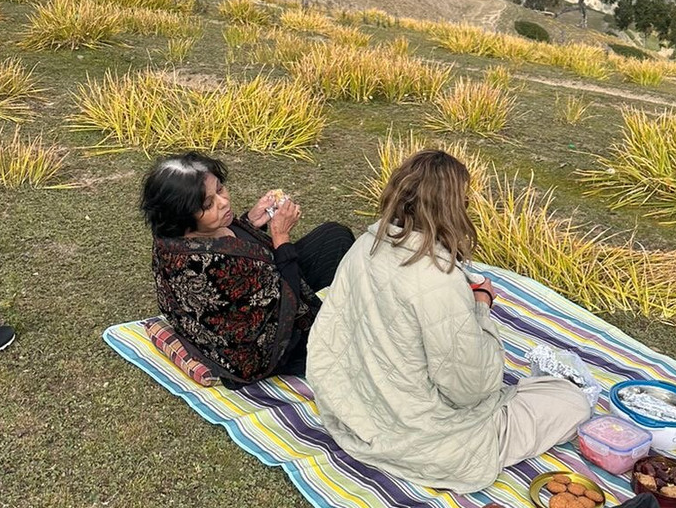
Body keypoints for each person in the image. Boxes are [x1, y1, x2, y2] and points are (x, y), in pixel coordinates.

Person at [307, 149, 591, 492]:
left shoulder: (366, 244)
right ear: (454, 207)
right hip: (422, 439)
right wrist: (481, 306)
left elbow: (334, 336)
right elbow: (470, 388)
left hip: (354, 412)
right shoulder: (438, 279)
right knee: (571, 401)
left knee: (537, 392)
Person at [140, 151, 354, 386]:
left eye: (220, 189)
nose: (223, 202)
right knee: (344, 341)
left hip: (265, 289)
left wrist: (250, 222)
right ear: (182, 216)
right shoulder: (213, 263)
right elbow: (283, 298)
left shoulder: (174, 234)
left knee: (335, 237)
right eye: (208, 204)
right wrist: (281, 236)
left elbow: (240, 251)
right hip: (255, 349)